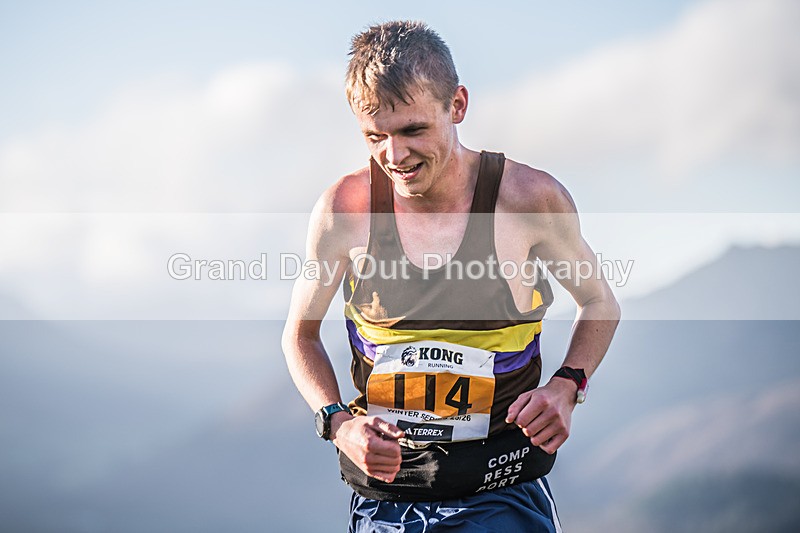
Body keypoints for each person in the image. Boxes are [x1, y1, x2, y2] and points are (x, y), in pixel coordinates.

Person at [282, 20, 621, 532]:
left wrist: (566, 386)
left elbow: (599, 304)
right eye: (375, 136)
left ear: (457, 105)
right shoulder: (344, 211)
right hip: (385, 499)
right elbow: (299, 334)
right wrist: (337, 423)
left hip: (502, 489)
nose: (395, 157)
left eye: (413, 130)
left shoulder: (529, 200)